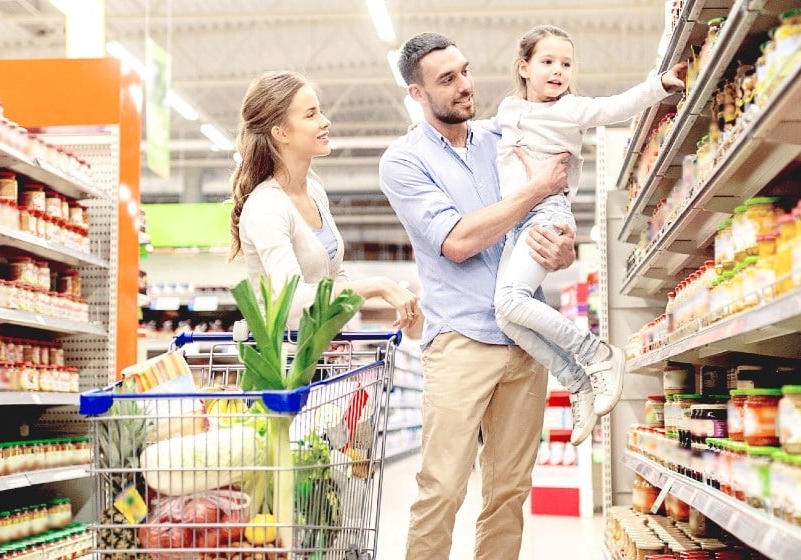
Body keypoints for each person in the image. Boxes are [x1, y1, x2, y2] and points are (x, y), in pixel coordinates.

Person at [379, 33, 574, 560]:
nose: (465, 86)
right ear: (417, 95)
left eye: (464, 71)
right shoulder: (403, 162)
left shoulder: (503, 137)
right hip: (461, 342)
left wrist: (563, 249)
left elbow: (556, 229)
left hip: (526, 342)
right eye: (447, 79)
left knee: (508, 492)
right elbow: (459, 241)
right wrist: (533, 190)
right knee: (441, 489)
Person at [493, 24, 688, 445]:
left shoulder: (570, 110)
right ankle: (576, 383)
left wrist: (659, 85)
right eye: (547, 62)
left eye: (565, 63)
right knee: (505, 316)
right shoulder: (508, 110)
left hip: (546, 212)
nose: (558, 71)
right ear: (523, 67)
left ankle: (596, 354)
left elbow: (615, 107)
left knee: (511, 299)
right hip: (516, 218)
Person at [228, 71, 420, 329]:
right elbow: (292, 299)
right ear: (281, 133)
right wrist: (377, 286)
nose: (325, 121)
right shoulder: (267, 207)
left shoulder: (315, 192)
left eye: (320, 111)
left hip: (321, 357)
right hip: (282, 362)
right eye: (311, 115)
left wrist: (337, 328)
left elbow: (333, 277)